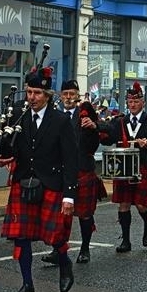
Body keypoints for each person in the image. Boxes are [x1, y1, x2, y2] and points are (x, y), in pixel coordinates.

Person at [0, 65, 78, 292]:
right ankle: (27, 285)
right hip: (24, 182)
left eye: (37, 93)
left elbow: (71, 160)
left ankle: (64, 262)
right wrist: (1, 157)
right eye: (29, 92)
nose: (32, 97)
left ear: (48, 95)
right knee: (21, 237)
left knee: (55, 236)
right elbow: (9, 146)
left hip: (51, 183)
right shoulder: (19, 116)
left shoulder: (61, 121)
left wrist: (69, 195)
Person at [41, 79, 106, 265]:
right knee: (60, 214)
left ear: (78, 95)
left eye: (72, 94)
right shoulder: (52, 116)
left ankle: (85, 248)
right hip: (59, 172)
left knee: (84, 214)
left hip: (82, 169)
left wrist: (94, 127)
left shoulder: (85, 115)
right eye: (65, 94)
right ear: (60, 96)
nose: (69, 97)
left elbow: (102, 137)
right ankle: (57, 250)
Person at [103, 81, 147, 253]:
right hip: (123, 166)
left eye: (136, 102)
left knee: (140, 204)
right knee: (123, 203)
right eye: (130, 102)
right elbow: (108, 138)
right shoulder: (120, 122)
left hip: (143, 165)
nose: (132, 105)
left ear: (143, 103)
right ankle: (126, 240)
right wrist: (96, 126)